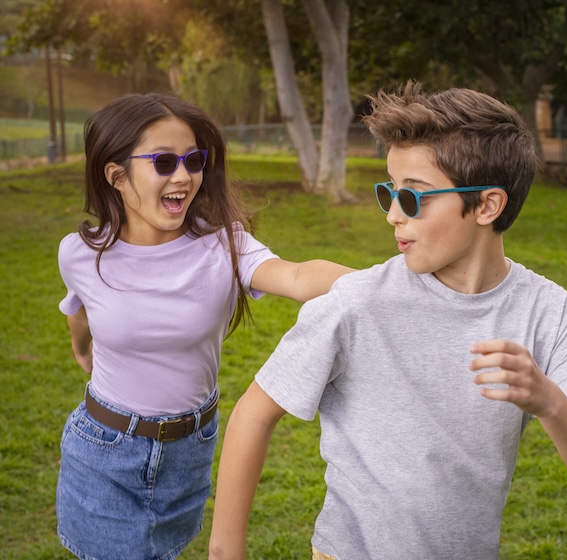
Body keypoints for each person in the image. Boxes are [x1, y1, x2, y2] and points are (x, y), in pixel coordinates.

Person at [208, 82, 567, 560]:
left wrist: (550, 401)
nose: (392, 215)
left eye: (414, 196)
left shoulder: (552, 313)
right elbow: (253, 414)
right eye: (389, 192)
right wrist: (225, 553)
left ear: (487, 205)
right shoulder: (357, 302)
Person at [56, 92, 353, 560]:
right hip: (104, 452)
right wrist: (82, 346)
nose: (184, 176)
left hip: (190, 451)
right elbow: (77, 307)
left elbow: (297, 276)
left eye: (193, 160)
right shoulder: (80, 252)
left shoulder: (224, 247)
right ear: (116, 175)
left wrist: (381, 284)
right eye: (164, 161)